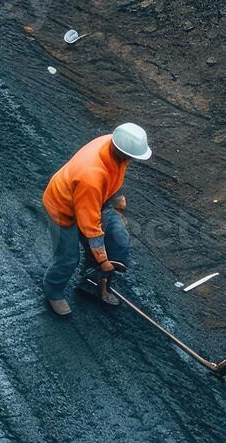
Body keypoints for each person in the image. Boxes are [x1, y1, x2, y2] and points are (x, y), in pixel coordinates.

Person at [40, 123, 151, 316]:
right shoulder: (92, 176)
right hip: (63, 208)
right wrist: (103, 259)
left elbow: (111, 177)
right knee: (68, 258)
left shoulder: (114, 143)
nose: (133, 160)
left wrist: (115, 198)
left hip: (95, 199)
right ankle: (53, 292)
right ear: (123, 152)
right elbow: (90, 227)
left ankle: (92, 283)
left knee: (117, 239)